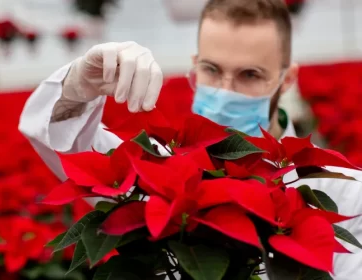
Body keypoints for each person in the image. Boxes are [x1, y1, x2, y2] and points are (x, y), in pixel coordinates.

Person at [19, 0, 362, 278]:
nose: (226, 90)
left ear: (287, 79)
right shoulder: (157, 169)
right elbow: (66, 140)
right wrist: (80, 87)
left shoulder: (347, 191)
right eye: (212, 70)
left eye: (250, 74)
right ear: (194, 68)